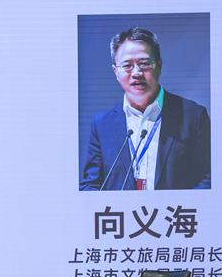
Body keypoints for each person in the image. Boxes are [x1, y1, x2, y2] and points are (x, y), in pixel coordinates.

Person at [81, 27, 210, 191]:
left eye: (144, 64)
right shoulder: (102, 124)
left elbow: (209, 178)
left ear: (159, 65)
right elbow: (90, 185)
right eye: (127, 65)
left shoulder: (193, 116)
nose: (137, 73)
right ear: (116, 71)